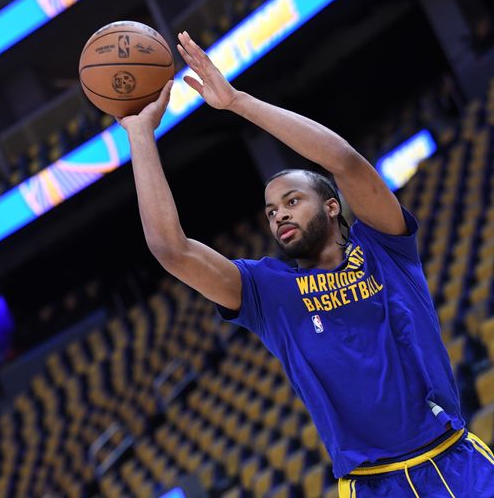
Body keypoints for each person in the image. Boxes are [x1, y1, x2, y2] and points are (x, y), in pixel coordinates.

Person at [118, 30, 494, 497]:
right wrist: (139, 135)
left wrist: (236, 101)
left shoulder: (385, 249)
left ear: (332, 206)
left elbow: (345, 161)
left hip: (457, 460)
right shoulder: (267, 293)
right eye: (272, 211)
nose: (279, 215)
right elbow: (171, 250)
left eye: (292, 200)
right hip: (374, 485)